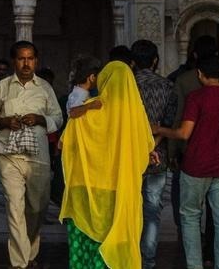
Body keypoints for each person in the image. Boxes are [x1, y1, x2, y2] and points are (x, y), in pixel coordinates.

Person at [153, 55, 219, 269]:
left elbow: (184, 133)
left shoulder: (196, 98)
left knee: (190, 218)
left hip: (196, 168)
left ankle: (195, 266)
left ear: (199, 74)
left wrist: (160, 130)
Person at [59, 61, 154, 269]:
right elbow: (144, 148)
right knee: (115, 241)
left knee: (84, 246)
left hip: (84, 190)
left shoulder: (88, 110)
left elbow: (63, 144)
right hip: (118, 192)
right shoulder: (135, 117)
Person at [0, 41, 63, 269]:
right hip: (8, 154)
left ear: (36, 61)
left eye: (30, 58)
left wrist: (39, 119)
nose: (26, 63)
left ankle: (29, 252)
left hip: (37, 156)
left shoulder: (45, 88)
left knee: (37, 207)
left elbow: (58, 118)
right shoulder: (3, 87)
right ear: (14, 61)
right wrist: (4, 121)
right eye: (21, 58)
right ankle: (20, 263)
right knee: (14, 206)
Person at [169, 35, 219, 261]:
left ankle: (193, 264)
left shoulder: (185, 83)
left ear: (194, 55)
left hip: (194, 161)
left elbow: (179, 122)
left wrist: (171, 149)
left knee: (189, 216)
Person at [131, 40, 177, 269]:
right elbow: (168, 123)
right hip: (157, 157)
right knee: (152, 211)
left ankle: (130, 260)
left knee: (129, 210)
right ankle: (148, 261)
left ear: (132, 62)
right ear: (155, 61)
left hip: (129, 158)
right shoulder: (167, 86)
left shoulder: (127, 87)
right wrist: (152, 146)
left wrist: (140, 148)